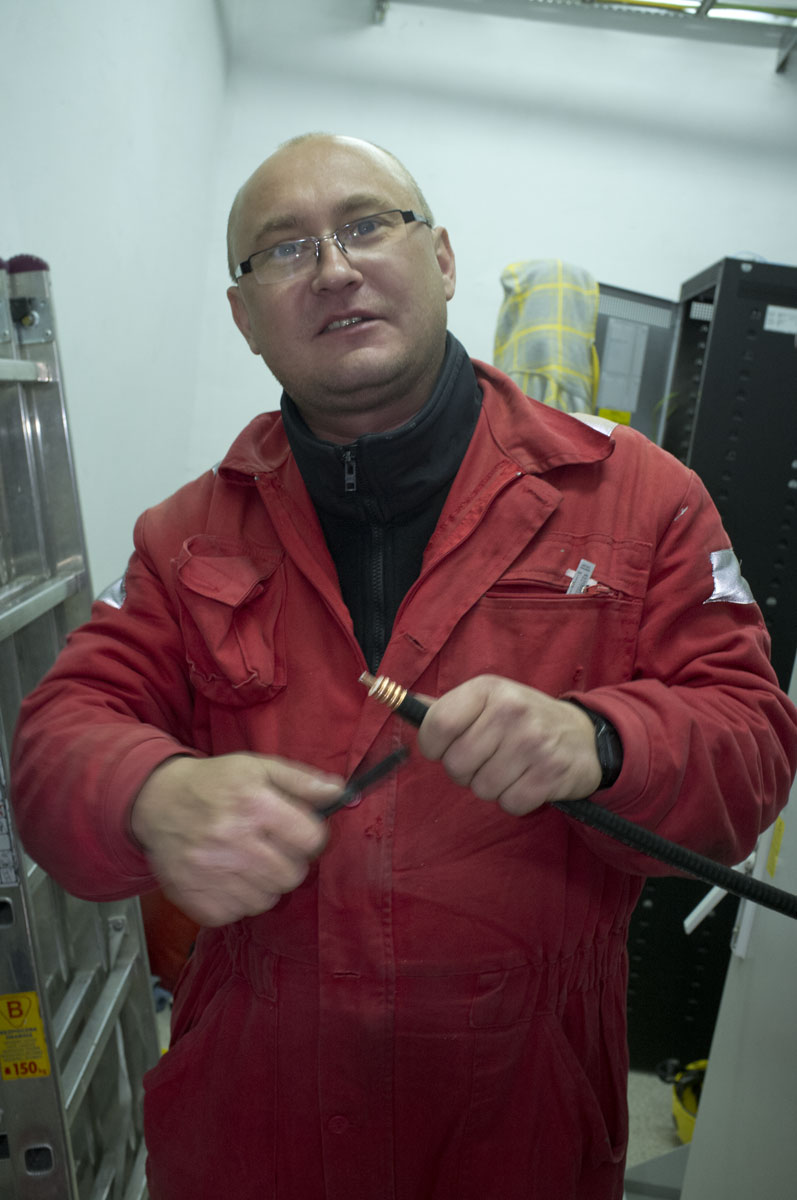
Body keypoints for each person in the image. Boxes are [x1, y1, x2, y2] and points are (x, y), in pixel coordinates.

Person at [10, 133, 797, 1200]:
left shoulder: (640, 499)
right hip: (255, 1121)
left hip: (516, 1121)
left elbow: (752, 748)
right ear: (243, 318)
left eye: (367, 225)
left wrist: (602, 741)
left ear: (443, 259)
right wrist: (148, 793)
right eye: (283, 249)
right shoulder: (185, 534)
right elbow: (55, 741)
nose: (333, 268)